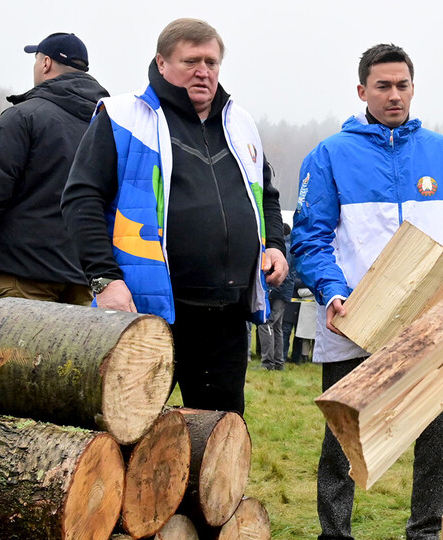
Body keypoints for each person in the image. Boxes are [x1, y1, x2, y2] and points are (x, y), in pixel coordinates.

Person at [291, 43, 443, 540]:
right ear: (362, 91)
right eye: (383, 86)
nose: (394, 94)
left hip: (430, 324)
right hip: (355, 321)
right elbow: (308, 238)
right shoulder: (330, 155)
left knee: (437, 434)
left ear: (413, 88)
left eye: (402, 85)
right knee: (343, 437)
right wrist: (333, 290)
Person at [62, 18, 287, 415]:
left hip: (226, 316)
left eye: (212, 62)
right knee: (130, 431)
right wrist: (103, 280)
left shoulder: (241, 123)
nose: (204, 71)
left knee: (219, 438)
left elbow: (265, 195)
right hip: (147, 312)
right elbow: (81, 199)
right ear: (161, 63)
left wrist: (275, 246)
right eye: (191, 61)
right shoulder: (122, 117)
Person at [0, 33, 109, 308]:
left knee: (13, 353)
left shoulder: (23, 117)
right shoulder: (111, 124)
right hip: (87, 280)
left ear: (46, 63)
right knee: (72, 353)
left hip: (23, 276)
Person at [257, 223, 295, 370]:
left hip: (278, 291)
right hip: (285, 292)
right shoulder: (291, 247)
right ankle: (279, 362)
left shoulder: (281, 249)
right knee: (277, 327)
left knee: (266, 324)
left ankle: (267, 363)